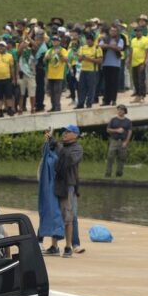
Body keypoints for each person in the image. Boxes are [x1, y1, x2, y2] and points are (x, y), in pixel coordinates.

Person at [44, 125, 83, 258]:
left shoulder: (77, 149)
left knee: (68, 218)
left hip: (68, 186)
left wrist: (57, 145)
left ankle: (68, 246)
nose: (65, 134)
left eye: (68, 132)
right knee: (55, 215)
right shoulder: (60, 146)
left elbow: (68, 161)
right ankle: (54, 246)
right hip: (54, 185)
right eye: (64, 132)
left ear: (76, 135)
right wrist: (48, 142)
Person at [99, 25, 125, 106]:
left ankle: (113, 100)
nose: (113, 32)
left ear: (117, 32)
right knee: (107, 83)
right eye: (111, 31)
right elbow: (100, 46)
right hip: (106, 64)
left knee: (114, 83)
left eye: (114, 31)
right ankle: (106, 100)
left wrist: (109, 46)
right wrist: (111, 46)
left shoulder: (120, 39)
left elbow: (119, 48)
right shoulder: (105, 38)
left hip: (115, 64)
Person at [76, 33, 103, 109]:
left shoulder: (97, 48)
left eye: (90, 41)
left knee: (91, 88)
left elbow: (100, 61)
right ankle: (80, 103)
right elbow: (79, 60)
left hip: (93, 71)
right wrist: (81, 58)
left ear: (93, 41)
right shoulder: (82, 48)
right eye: (87, 40)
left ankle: (89, 104)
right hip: (83, 70)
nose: (88, 42)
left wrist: (89, 59)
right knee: (81, 88)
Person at [105, 104, 132, 177]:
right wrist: (116, 130)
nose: (120, 111)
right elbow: (108, 130)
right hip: (114, 140)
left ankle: (119, 174)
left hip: (123, 141)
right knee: (110, 157)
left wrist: (126, 142)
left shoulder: (128, 121)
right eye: (119, 109)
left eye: (121, 110)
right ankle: (108, 173)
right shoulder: (113, 120)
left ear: (125, 111)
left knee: (122, 158)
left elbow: (129, 132)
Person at [44, 35, 68, 112]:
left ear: (59, 41)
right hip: (50, 74)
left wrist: (60, 54)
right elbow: (44, 61)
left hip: (59, 74)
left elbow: (66, 60)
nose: (54, 42)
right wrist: (46, 58)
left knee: (57, 92)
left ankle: (57, 106)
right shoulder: (49, 50)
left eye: (56, 40)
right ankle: (53, 106)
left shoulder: (63, 50)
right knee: (51, 92)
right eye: (53, 40)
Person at [0, 40, 16, 117]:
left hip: (7, 78)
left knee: (8, 95)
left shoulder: (9, 56)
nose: (1, 47)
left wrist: (13, 78)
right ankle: (0, 111)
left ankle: (9, 109)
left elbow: (12, 68)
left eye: (2, 46)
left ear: (5, 47)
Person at [129, 27, 148, 103]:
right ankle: (138, 94)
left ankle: (142, 95)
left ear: (141, 32)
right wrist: (129, 60)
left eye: (139, 31)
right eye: (136, 31)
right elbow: (131, 51)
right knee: (135, 80)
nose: (137, 33)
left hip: (141, 62)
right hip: (134, 63)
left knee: (141, 79)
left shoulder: (145, 40)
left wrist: (145, 61)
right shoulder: (133, 40)